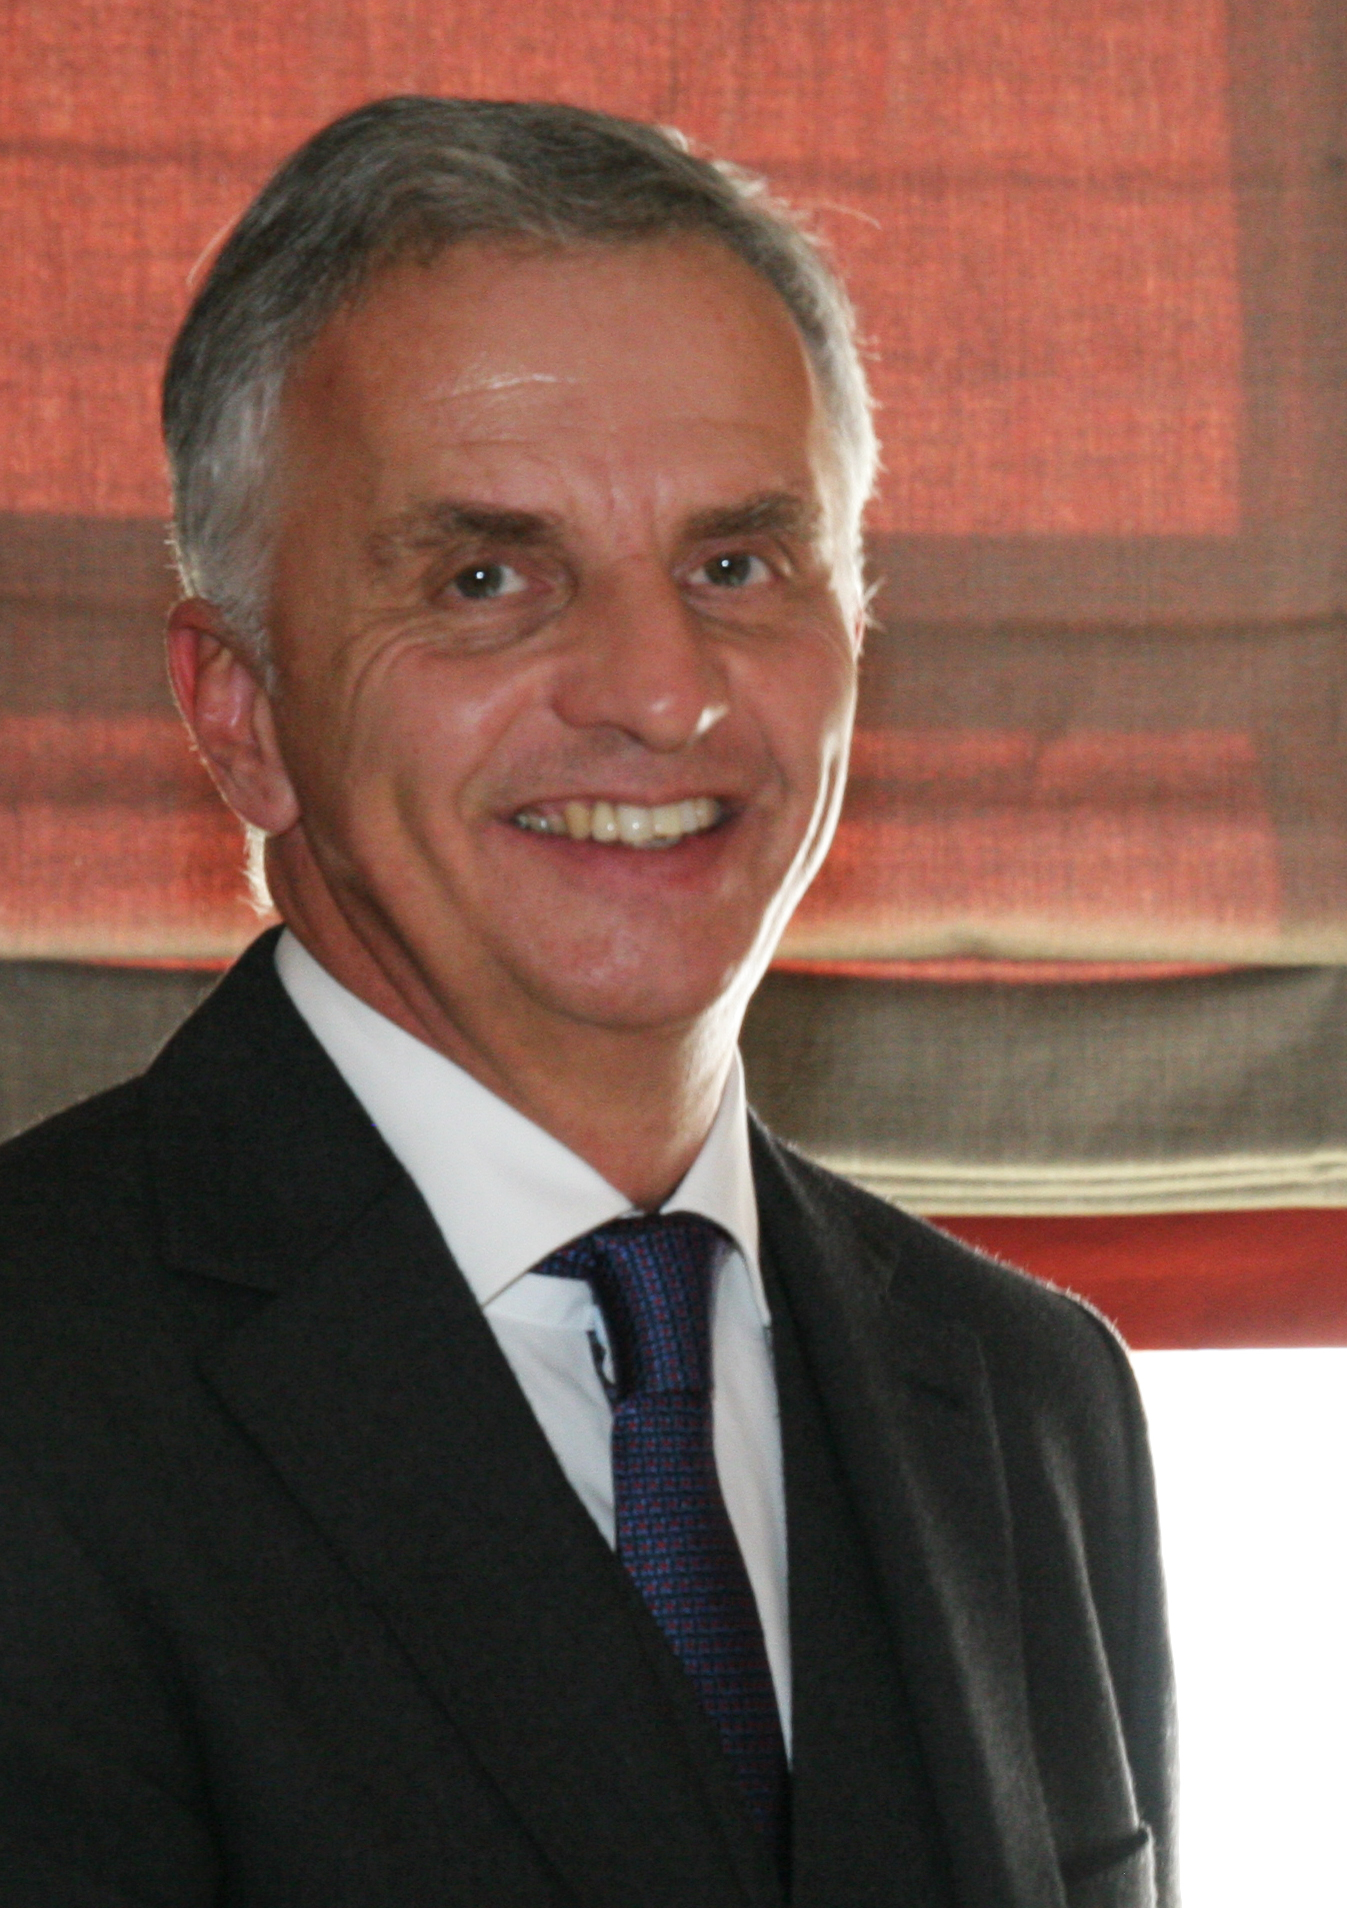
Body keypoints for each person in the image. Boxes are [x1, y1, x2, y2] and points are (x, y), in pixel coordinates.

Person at [0, 100, 1171, 1908]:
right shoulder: (38, 1377)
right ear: (238, 706)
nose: (657, 689)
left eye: (735, 566)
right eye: (486, 578)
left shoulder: (1030, 1404)